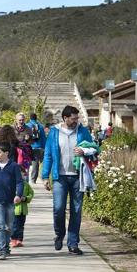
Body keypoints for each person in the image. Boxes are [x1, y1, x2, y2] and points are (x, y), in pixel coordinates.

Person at [42, 105, 93, 255]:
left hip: (78, 176)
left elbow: (94, 148)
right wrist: (45, 176)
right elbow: (48, 155)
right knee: (58, 208)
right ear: (65, 118)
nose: (77, 120)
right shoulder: (54, 132)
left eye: (77, 118)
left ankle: (73, 244)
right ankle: (59, 234)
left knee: (76, 210)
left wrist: (84, 150)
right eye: (74, 118)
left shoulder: (82, 131)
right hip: (60, 177)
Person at [0, 142, 24, 260]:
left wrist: (18, 195)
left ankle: (6, 247)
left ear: (6, 153)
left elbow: (19, 182)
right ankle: (1, 250)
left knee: (9, 227)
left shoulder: (14, 166)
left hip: (10, 201)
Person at [10, 179, 34, 248]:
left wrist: (26, 198)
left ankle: (19, 240)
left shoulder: (26, 184)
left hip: (23, 210)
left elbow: (31, 193)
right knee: (14, 226)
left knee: (21, 226)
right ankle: (13, 240)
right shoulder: (12, 183)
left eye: (23, 173)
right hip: (14, 210)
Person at [26, 113, 46, 184]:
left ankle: (27, 179)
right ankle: (33, 179)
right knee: (37, 164)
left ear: (30, 118)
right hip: (39, 147)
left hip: (30, 147)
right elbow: (43, 137)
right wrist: (44, 147)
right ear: (36, 118)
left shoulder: (27, 125)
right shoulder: (40, 126)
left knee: (27, 163)